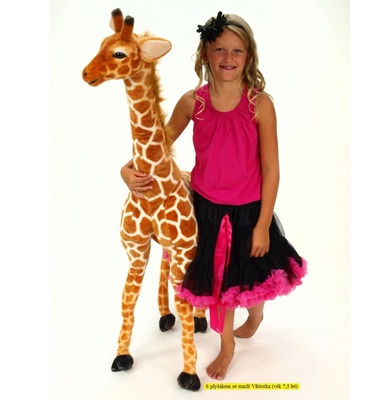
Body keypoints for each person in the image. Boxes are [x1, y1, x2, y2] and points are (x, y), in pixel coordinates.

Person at [120, 11, 307, 380]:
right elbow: (158, 146)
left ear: (249, 56)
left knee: (251, 280)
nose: (228, 58)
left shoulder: (260, 105)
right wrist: (126, 169)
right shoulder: (193, 102)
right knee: (220, 284)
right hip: (204, 210)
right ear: (205, 53)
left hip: (247, 212)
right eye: (220, 49)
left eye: (237, 51)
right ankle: (227, 345)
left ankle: (256, 314)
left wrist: (263, 224)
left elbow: (271, 169)